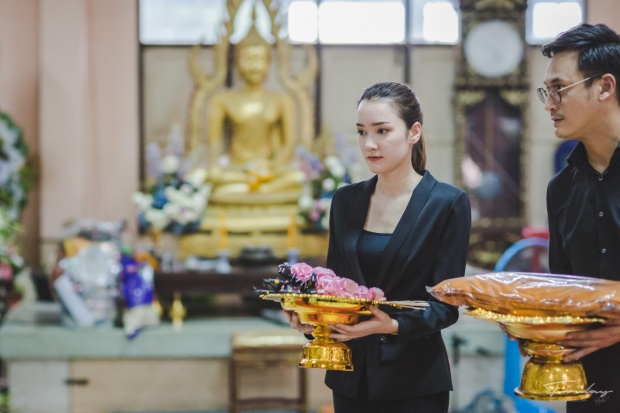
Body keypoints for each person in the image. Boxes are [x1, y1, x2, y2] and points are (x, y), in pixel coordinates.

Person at [285, 81, 471, 413]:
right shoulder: (345, 201)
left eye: (382, 131)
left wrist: (392, 325)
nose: (369, 144)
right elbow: (333, 290)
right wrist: (312, 319)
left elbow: (445, 306)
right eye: (361, 132)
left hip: (415, 383)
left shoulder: (448, 203)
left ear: (414, 132)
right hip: (350, 377)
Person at [538, 23, 620, 412]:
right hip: (590, 387)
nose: (550, 103)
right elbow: (564, 290)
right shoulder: (561, 189)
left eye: (560, 89)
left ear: (605, 87)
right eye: (547, 92)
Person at [205, 23, 303, 198]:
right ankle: (257, 190)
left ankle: (256, 189)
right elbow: (214, 143)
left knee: (297, 177)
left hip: (269, 170)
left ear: (268, 62)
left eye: (260, 59)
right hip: (235, 169)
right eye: (249, 59)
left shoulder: (282, 100)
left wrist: (270, 166)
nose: (255, 66)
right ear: (237, 62)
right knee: (207, 177)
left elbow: (289, 145)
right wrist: (214, 165)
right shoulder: (222, 100)